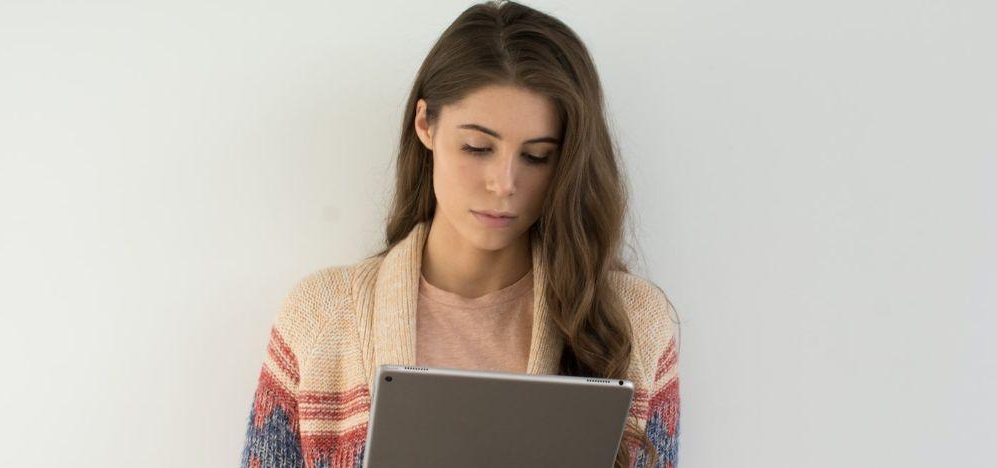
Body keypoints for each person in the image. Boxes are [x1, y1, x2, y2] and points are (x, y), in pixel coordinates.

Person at [239, 1, 680, 467]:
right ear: (425, 124)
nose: (504, 183)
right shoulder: (322, 318)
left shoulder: (631, 323)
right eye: (477, 147)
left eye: (536, 156)